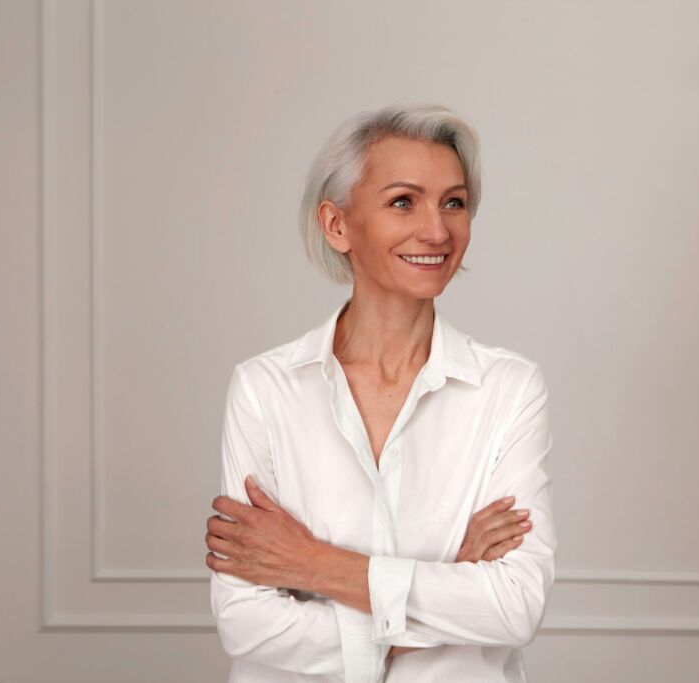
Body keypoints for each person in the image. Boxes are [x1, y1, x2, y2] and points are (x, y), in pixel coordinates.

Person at [204, 103, 556, 683]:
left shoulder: (510, 389)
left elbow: (515, 608)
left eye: (454, 202)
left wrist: (313, 565)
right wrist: (447, 583)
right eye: (403, 201)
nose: (438, 230)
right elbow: (245, 622)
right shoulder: (264, 389)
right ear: (336, 224)